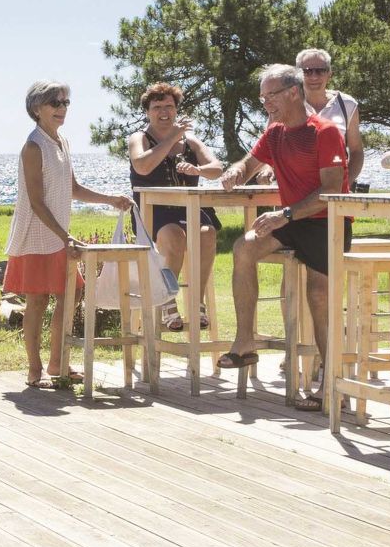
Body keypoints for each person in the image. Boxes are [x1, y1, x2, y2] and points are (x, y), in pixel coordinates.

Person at [214, 64, 350, 400]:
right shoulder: (274, 133)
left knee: (318, 296)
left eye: (270, 95)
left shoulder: (325, 131)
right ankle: (245, 341)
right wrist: (236, 171)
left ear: (293, 92)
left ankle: (332, 384)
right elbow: (249, 163)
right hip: (291, 222)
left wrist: (285, 214)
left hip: (326, 221)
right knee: (244, 247)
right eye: (262, 97)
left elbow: (331, 191)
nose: (265, 103)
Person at [4, 81, 132, 389]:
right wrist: (67, 238)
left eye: (65, 103)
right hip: (35, 235)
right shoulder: (33, 147)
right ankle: (35, 370)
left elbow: (73, 189)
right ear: (37, 109)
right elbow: (36, 202)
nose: (62, 109)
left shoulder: (62, 142)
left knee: (69, 296)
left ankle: (57, 362)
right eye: (54, 103)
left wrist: (110, 199)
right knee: (37, 300)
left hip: (58, 235)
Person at [127, 82, 221, 331]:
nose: (164, 112)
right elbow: (142, 166)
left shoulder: (191, 141)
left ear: (177, 109)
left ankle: (196, 302)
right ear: (147, 111)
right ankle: (167, 299)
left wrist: (198, 169)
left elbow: (217, 169)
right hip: (153, 211)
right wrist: (170, 139)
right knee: (174, 236)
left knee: (208, 233)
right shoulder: (139, 138)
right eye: (157, 107)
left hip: (189, 208)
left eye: (169, 106)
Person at [297, 47, 366, 186]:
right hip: (296, 189)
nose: (314, 76)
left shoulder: (347, 104)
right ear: (297, 75)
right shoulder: (288, 104)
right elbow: (269, 146)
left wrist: (345, 183)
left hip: (336, 192)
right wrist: (268, 169)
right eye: (307, 71)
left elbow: (356, 151)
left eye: (320, 71)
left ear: (329, 74)